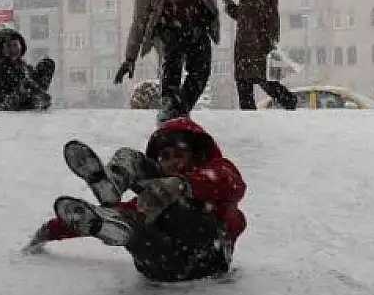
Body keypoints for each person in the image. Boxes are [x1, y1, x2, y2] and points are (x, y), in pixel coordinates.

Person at [23, 116, 247, 284]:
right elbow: (122, 209)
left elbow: (232, 184)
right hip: (164, 267)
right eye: (165, 157)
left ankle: (126, 221)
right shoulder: (154, 198)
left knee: (157, 193)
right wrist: (51, 230)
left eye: (179, 154)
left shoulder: (216, 173)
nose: (173, 162)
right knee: (133, 215)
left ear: (196, 154)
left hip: (209, 257)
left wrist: (183, 184)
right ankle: (115, 199)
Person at [114, 0, 295, 122]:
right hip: (168, 30)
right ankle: (169, 103)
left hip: (197, 26)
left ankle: (179, 110)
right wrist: (129, 58)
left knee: (200, 72)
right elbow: (139, 20)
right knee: (171, 63)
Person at [221, 0, 298, 111]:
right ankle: (250, 118)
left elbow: (271, 19)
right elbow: (244, 17)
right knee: (245, 85)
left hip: (257, 47)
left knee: (264, 82)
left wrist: (268, 44)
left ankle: (289, 101)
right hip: (245, 47)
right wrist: (229, 6)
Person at [0, 24, 55, 113]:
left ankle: (34, 99)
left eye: (16, 46)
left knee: (46, 64)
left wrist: (38, 92)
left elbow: (29, 82)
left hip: (18, 98)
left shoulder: (21, 65)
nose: (14, 50)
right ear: (2, 48)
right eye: (9, 46)